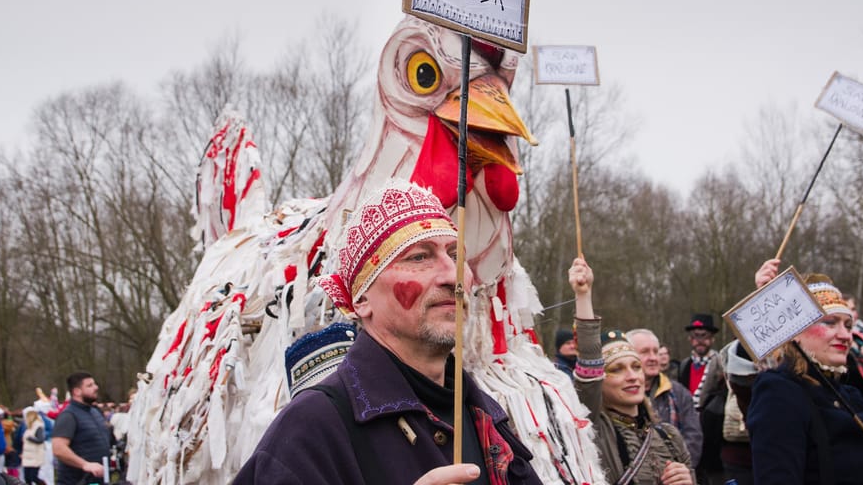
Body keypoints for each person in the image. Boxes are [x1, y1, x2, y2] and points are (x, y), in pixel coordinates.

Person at [234, 179, 543, 485]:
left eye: (454, 255)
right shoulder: (312, 429)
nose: (453, 275)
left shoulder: (488, 416)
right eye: (419, 257)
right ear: (361, 299)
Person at [746, 272, 863, 483]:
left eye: (848, 325)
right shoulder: (778, 392)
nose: (846, 335)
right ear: (796, 332)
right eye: (830, 322)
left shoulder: (850, 393)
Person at [568, 258, 694, 484]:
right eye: (617, 369)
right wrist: (583, 297)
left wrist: (688, 481)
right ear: (600, 380)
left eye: (636, 367)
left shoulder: (669, 435)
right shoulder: (596, 431)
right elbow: (588, 373)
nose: (632, 376)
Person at [626, 328, 702, 465]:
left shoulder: (678, 392)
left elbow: (693, 436)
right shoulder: (619, 395)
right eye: (644, 352)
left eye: (655, 351)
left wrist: (679, 469)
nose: (653, 358)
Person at [678, 313, 726, 485]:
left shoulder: (720, 363)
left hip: (713, 432)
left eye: (704, 336)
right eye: (695, 336)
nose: (700, 341)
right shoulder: (685, 365)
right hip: (690, 430)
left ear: (712, 339)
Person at [51, 371, 112, 485]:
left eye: (94, 384)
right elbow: (58, 448)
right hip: (76, 481)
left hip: (98, 480)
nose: (96, 387)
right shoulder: (68, 415)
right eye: (90, 385)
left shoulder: (95, 412)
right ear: (76, 391)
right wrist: (85, 464)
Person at [20, 408, 45, 484]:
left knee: (33, 477)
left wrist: (30, 438)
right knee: (27, 478)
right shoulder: (29, 427)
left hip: (35, 456)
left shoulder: (38, 426)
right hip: (27, 456)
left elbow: (40, 440)